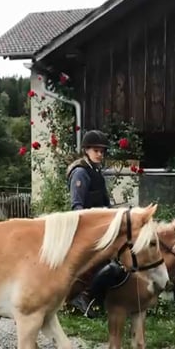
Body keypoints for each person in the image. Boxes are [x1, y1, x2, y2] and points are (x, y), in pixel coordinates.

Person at [66, 130, 112, 316]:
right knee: (96, 260)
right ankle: (81, 296)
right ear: (86, 150)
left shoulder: (96, 172)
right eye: (96, 150)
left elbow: (104, 202)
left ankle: (96, 298)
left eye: (102, 151)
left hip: (101, 225)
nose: (100, 154)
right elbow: (77, 206)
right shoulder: (80, 173)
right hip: (88, 227)